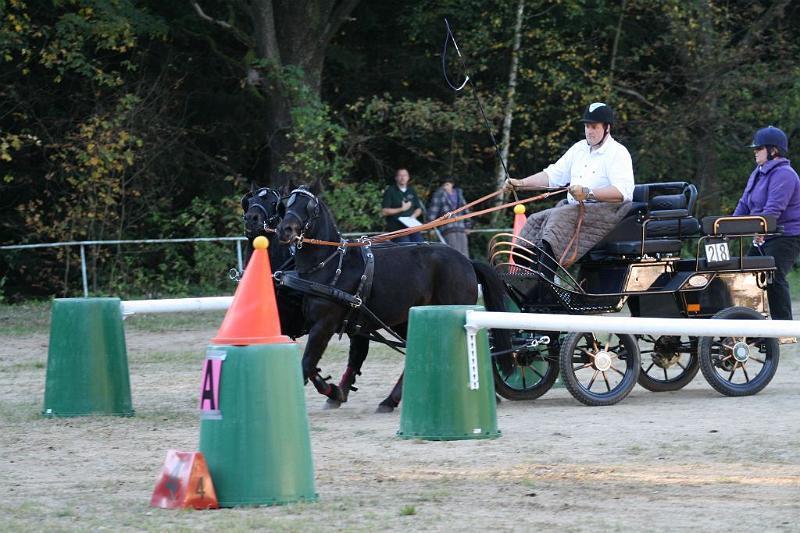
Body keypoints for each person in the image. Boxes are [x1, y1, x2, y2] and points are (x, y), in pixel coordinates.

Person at [504, 102, 635, 273]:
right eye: (587, 126)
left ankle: (545, 280)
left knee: (559, 217)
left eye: (594, 126)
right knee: (535, 219)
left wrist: (588, 193)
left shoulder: (618, 153)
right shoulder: (579, 149)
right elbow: (552, 176)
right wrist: (521, 183)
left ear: (607, 128)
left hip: (607, 212)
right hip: (575, 210)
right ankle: (524, 275)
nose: (589, 131)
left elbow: (622, 193)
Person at [734, 125, 800, 320]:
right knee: (745, 275)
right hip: (763, 233)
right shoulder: (758, 173)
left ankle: (784, 328)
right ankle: (751, 325)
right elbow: (744, 205)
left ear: (774, 151)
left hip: (785, 236)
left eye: (759, 148)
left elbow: (773, 210)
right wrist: (723, 230)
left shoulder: (785, 175)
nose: (755, 152)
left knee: (773, 276)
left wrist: (759, 230)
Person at [427, 176, 471, 256]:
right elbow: (433, 211)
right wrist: (430, 227)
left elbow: (466, 209)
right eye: (443, 185)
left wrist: (468, 225)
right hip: (448, 228)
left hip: (461, 228)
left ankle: (465, 268)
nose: (445, 187)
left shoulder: (459, 194)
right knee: (454, 253)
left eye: (447, 184)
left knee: (465, 254)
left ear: (452, 184)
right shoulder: (439, 194)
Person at [382, 167, 424, 243]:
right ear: (396, 178)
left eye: (405, 175)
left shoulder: (411, 190)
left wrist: (413, 216)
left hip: (412, 227)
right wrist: (401, 209)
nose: (403, 178)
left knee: (420, 245)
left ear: (408, 178)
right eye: (400, 175)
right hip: (397, 228)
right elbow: (384, 211)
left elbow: (418, 209)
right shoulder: (390, 191)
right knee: (406, 246)